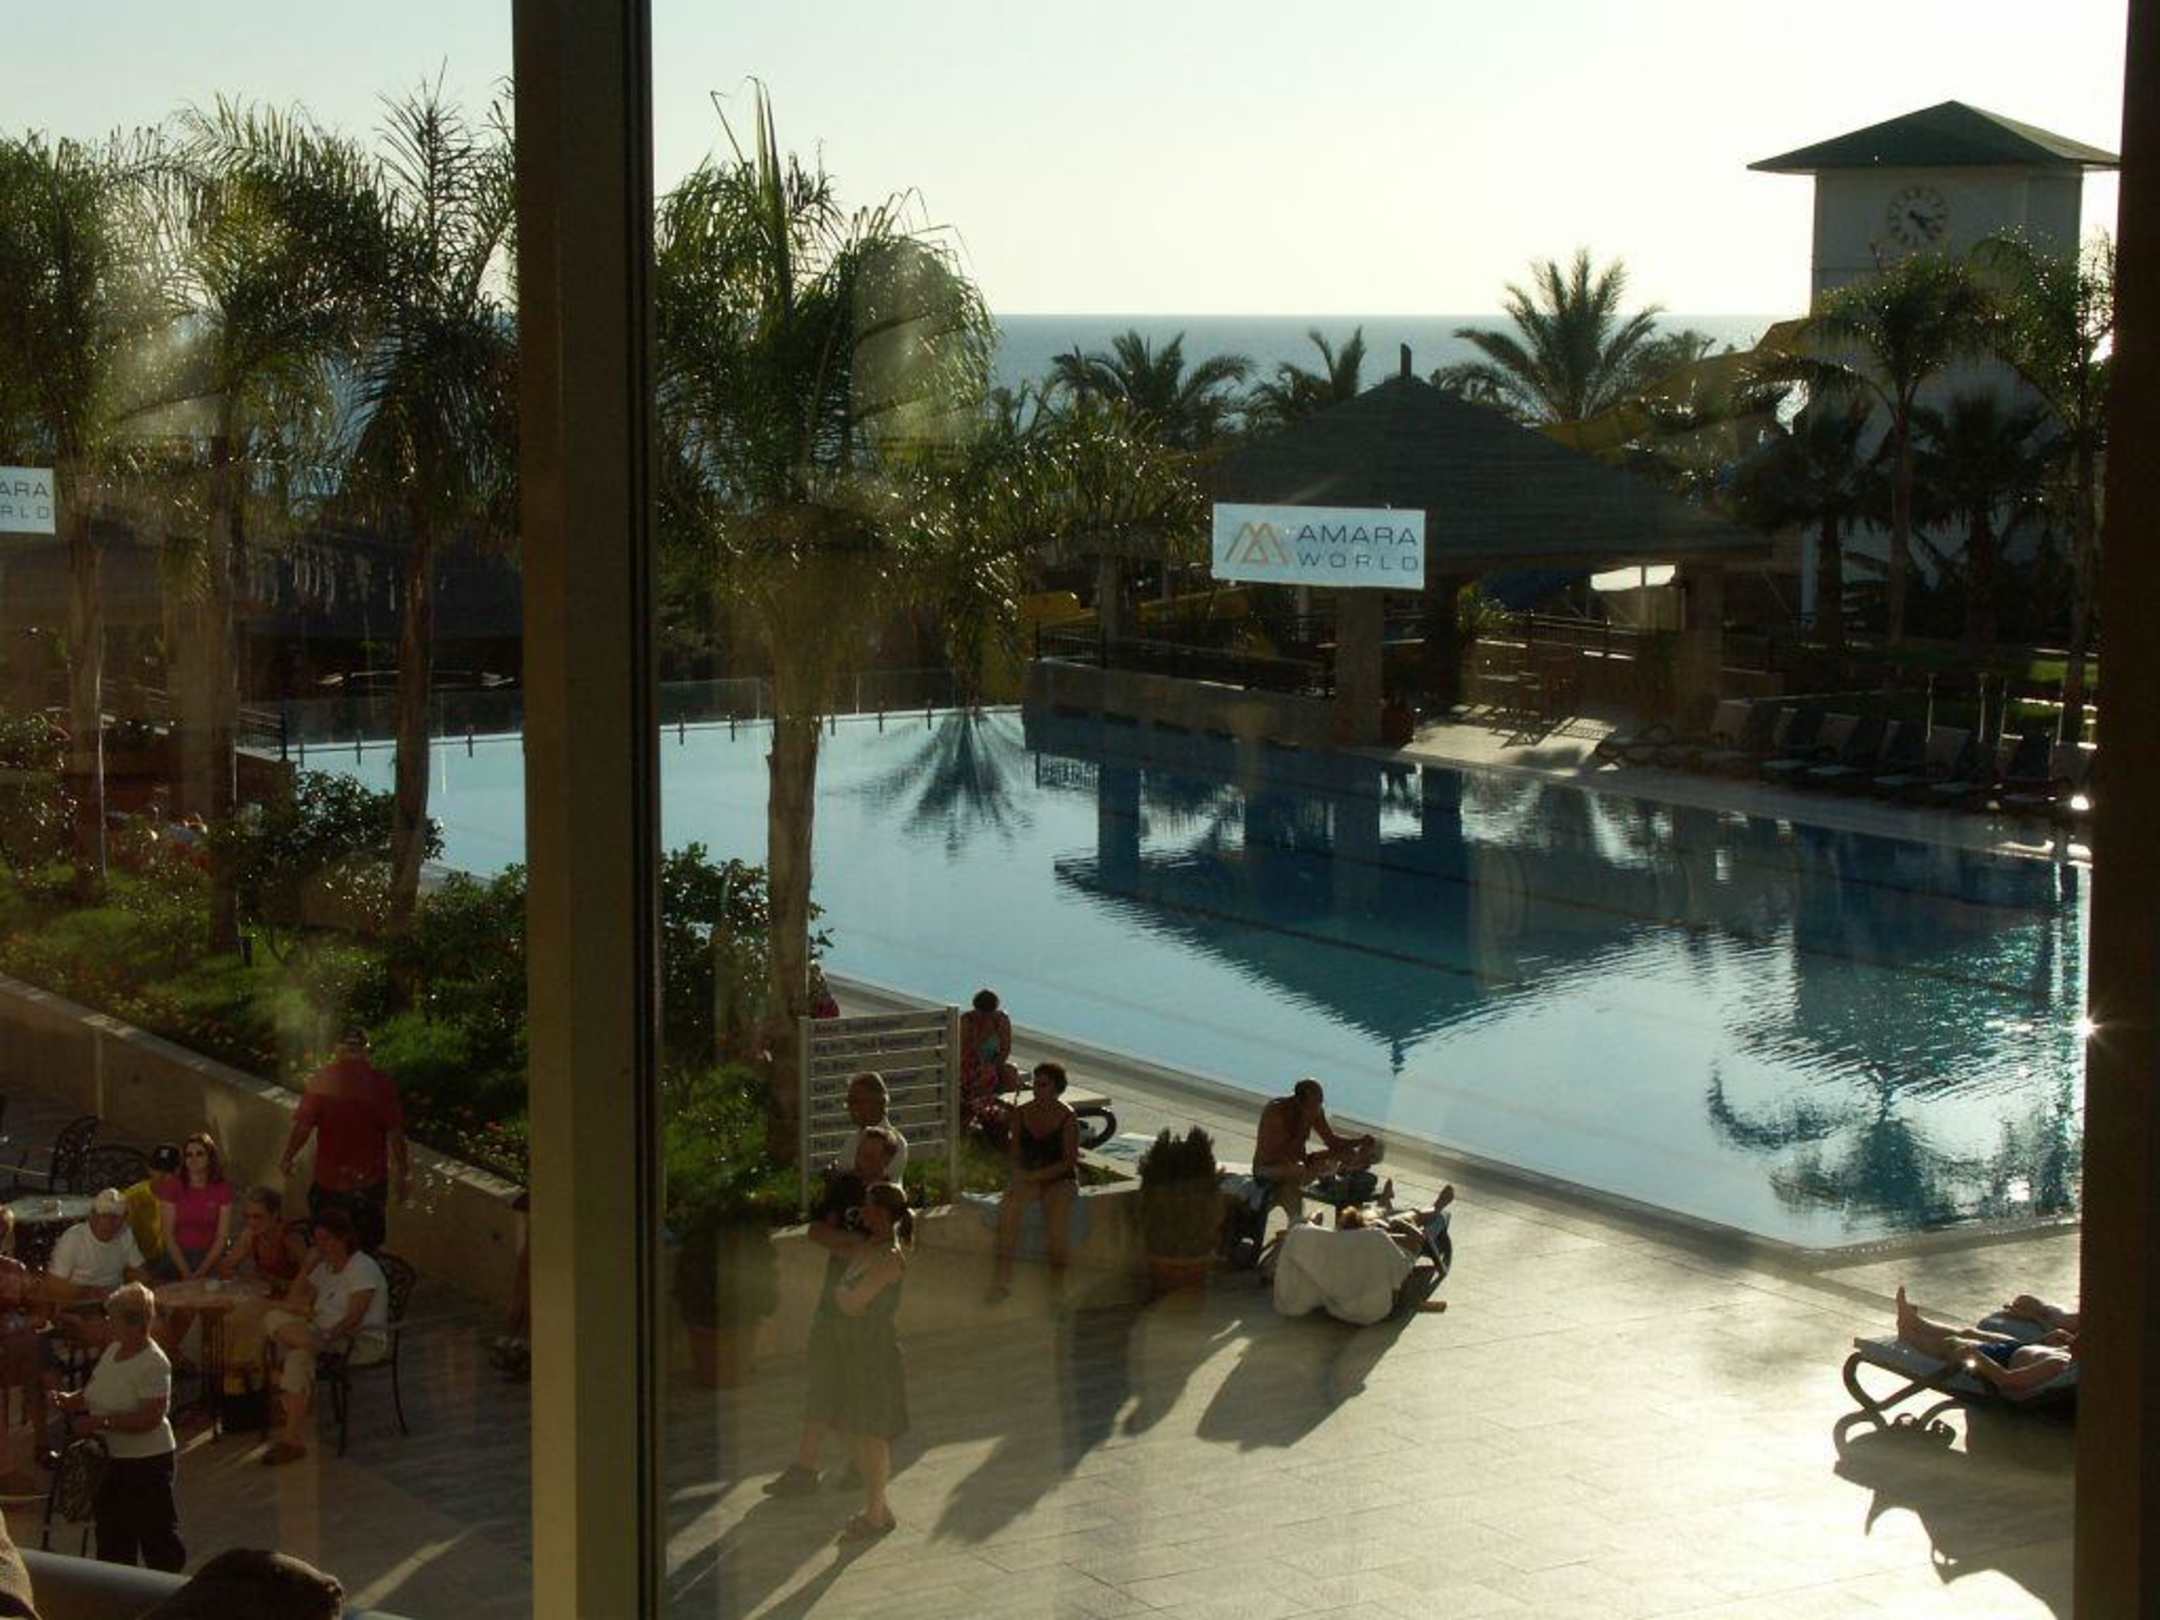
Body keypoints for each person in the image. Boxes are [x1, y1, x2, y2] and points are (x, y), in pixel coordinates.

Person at [763, 1127, 901, 1498]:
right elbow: (817, 1231)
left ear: (886, 1162)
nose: (862, 1162)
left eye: (871, 1157)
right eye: (860, 1153)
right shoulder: (844, 1187)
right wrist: (852, 1243)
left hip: (868, 1315)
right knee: (823, 1379)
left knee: (859, 1391)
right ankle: (806, 1467)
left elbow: (888, 1250)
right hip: (832, 1303)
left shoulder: (891, 1198)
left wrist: (849, 1245)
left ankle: (861, 1470)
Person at [49, 1282, 183, 1571]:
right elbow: (97, 1389)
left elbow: (151, 1417)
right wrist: (71, 1400)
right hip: (109, 1460)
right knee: (112, 1535)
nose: (108, 1323)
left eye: (113, 1319)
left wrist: (101, 1422)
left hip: (146, 1462)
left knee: (155, 1535)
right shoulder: (114, 1350)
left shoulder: (154, 1363)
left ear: (135, 1323)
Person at [809, 1182, 911, 1541]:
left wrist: (843, 1295)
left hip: (873, 1353)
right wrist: (845, 1295)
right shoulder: (868, 1246)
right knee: (852, 1428)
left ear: (880, 1212)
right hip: (851, 1349)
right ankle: (879, 1508)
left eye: (867, 1205)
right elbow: (846, 1295)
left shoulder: (890, 1256)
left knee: (872, 1434)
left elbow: (852, 1301)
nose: (860, 1211)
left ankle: (875, 1515)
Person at [258, 1208, 389, 1466]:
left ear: (344, 1238)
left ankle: (285, 1383)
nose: (323, 1246)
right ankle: (292, 1441)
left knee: (292, 1351)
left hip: (355, 1340)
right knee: (286, 1339)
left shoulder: (362, 1267)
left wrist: (327, 1336)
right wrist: (306, 1267)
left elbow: (354, 1317)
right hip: (319, 1338)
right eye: (318, 1241)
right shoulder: (326, 1268)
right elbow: (293, 1301)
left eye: (328, 1239)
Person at [280, 1026, 409, 1252]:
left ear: (338, 1050)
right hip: (368, 1185)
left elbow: (303, 1127)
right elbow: (395, 1134)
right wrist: (403, 1172)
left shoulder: (323, 1079)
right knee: (367, 1247)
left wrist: (288, 1157)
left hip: (330, 1183)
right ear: (366, 1051)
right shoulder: (381, 1084)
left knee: (326, 1246)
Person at [1273, 1188, 1454, 1326]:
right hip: (1372, 1311)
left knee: (1385, 1220)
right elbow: (1405, 1267)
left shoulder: (1323, 1240)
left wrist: (1314, 1218)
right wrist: (1402, 1226)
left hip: (1337, 1306)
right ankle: (1437, 1205)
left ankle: (1385, 1204)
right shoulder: (1378, 1239)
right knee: (1406, 1219)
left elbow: (1305, 1226)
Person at [987, 1062, 1079, 1304]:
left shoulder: (1067, 1117)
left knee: (1057, 1226)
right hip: (1029, 1175)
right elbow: (1014, 1151)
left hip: (1058, 1178)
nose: (1037, 1089)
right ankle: (1002, 1281)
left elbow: (1068, 1161)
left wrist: (1037, 1176)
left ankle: (1057, 1289)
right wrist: (1018, 1173)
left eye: (1043, 1085)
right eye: (1035, 1084)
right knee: (1009, 1212)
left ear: (1056, 1088)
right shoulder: (1022, 1113)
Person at [210, 1187, 309, 1398]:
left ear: (274, 1215)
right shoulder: (250, 1236)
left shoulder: (289, 1238)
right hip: (265, 1298)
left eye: (258, 1217)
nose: (252, 1222)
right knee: (227, 1319)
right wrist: (239, 1274)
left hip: (291, 1303)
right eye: (247, 1217)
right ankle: (235, 1383)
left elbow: (312, 1278)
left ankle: (244, 1384)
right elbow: (226, 1266)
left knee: (241, 1319)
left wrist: (274, 1283)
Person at [1893, 1285, 2077, 1396]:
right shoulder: (2069, 1354)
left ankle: (1909, 1336)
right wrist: (2046, 1341)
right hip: (2020, 1347)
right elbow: (2040, 1354)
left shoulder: (2058, 1365)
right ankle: (1917, 1322)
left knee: (1953, 1343)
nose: (2075, 1338)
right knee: (1969, 1332)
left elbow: (2007, 1381)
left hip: (2001, 1360)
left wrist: (1977, 1356)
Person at [1253, 1078, 1382, 1229]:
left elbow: (1331, 1140)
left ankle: (1345, 1199)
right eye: (1316, 1103)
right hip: (1269, 1167)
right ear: (1299, 1101)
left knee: (1346, 1153)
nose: (1319, 1107)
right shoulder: (1276, 1112)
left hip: (1298, 1164)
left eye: (1321, 1101)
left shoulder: (1315, 1111)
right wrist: (1315, 1159)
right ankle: (1304, 1215)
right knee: (1298, 1170)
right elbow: (1282, 1153)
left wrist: (1359, 1141)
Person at [120, 1145, 182, 1277]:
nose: (162, 1175)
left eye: (169, 1170)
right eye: (158, 1169)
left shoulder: (185, 1196)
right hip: (140, 1262)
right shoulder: (133, 1197)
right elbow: (121, 1237)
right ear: (149, 1169)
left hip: (175, 1260)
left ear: (178, 1172)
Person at [958, 988, 1015, 1126]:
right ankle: (971, 1110)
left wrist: (994, 1066)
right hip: (968, 1063)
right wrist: (980, 1035)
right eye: (981, 1013)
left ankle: (984, 1109)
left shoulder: (1001, 1020)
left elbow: (1005, 1049)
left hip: (992, 1063)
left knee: (1003, 1074)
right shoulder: (967, 1020)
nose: (984, 1017)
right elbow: (963, 1051)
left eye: (988, 1014)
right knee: (979, 1076)